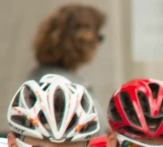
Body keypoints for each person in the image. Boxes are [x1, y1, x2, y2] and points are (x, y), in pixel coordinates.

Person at [30, 3, 107, 131]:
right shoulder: (58, 85)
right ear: (82, 40)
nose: (98, 44)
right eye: (98, 37)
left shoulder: (47, 77)